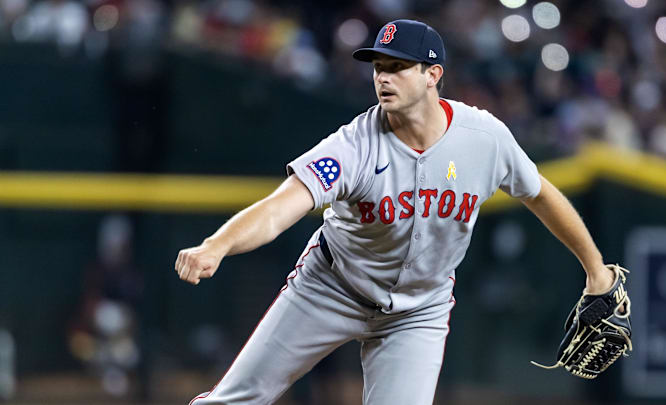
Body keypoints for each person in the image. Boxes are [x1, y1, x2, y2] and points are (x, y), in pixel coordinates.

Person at [175, 19, 616, 405]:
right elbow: (278, 209)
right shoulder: (353, 146)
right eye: (378, 68)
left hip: (418, 311)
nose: (383, 78)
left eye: (398, 67)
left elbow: (540, 193)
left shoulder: (484, 139)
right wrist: (217, 246)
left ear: (432, 75)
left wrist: (596, 271)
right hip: (330, 287)